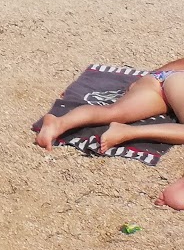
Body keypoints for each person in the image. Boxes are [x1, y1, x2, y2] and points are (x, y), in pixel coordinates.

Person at [34, 57, 184, 210]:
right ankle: (129, 132)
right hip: (175, 81)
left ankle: (58, 123)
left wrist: (149, 77)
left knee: (114, 112)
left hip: (160, 81)